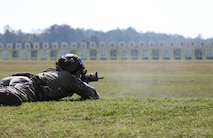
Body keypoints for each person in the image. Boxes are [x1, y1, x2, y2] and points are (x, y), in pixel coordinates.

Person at [0, 54, 99, 106]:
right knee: (14, 95)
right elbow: (93, 94)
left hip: (17, 79)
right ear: (74, 69)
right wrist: (82, 82)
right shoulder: (70, 79)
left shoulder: (51, 71)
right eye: (79, 70)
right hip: (29, 86)